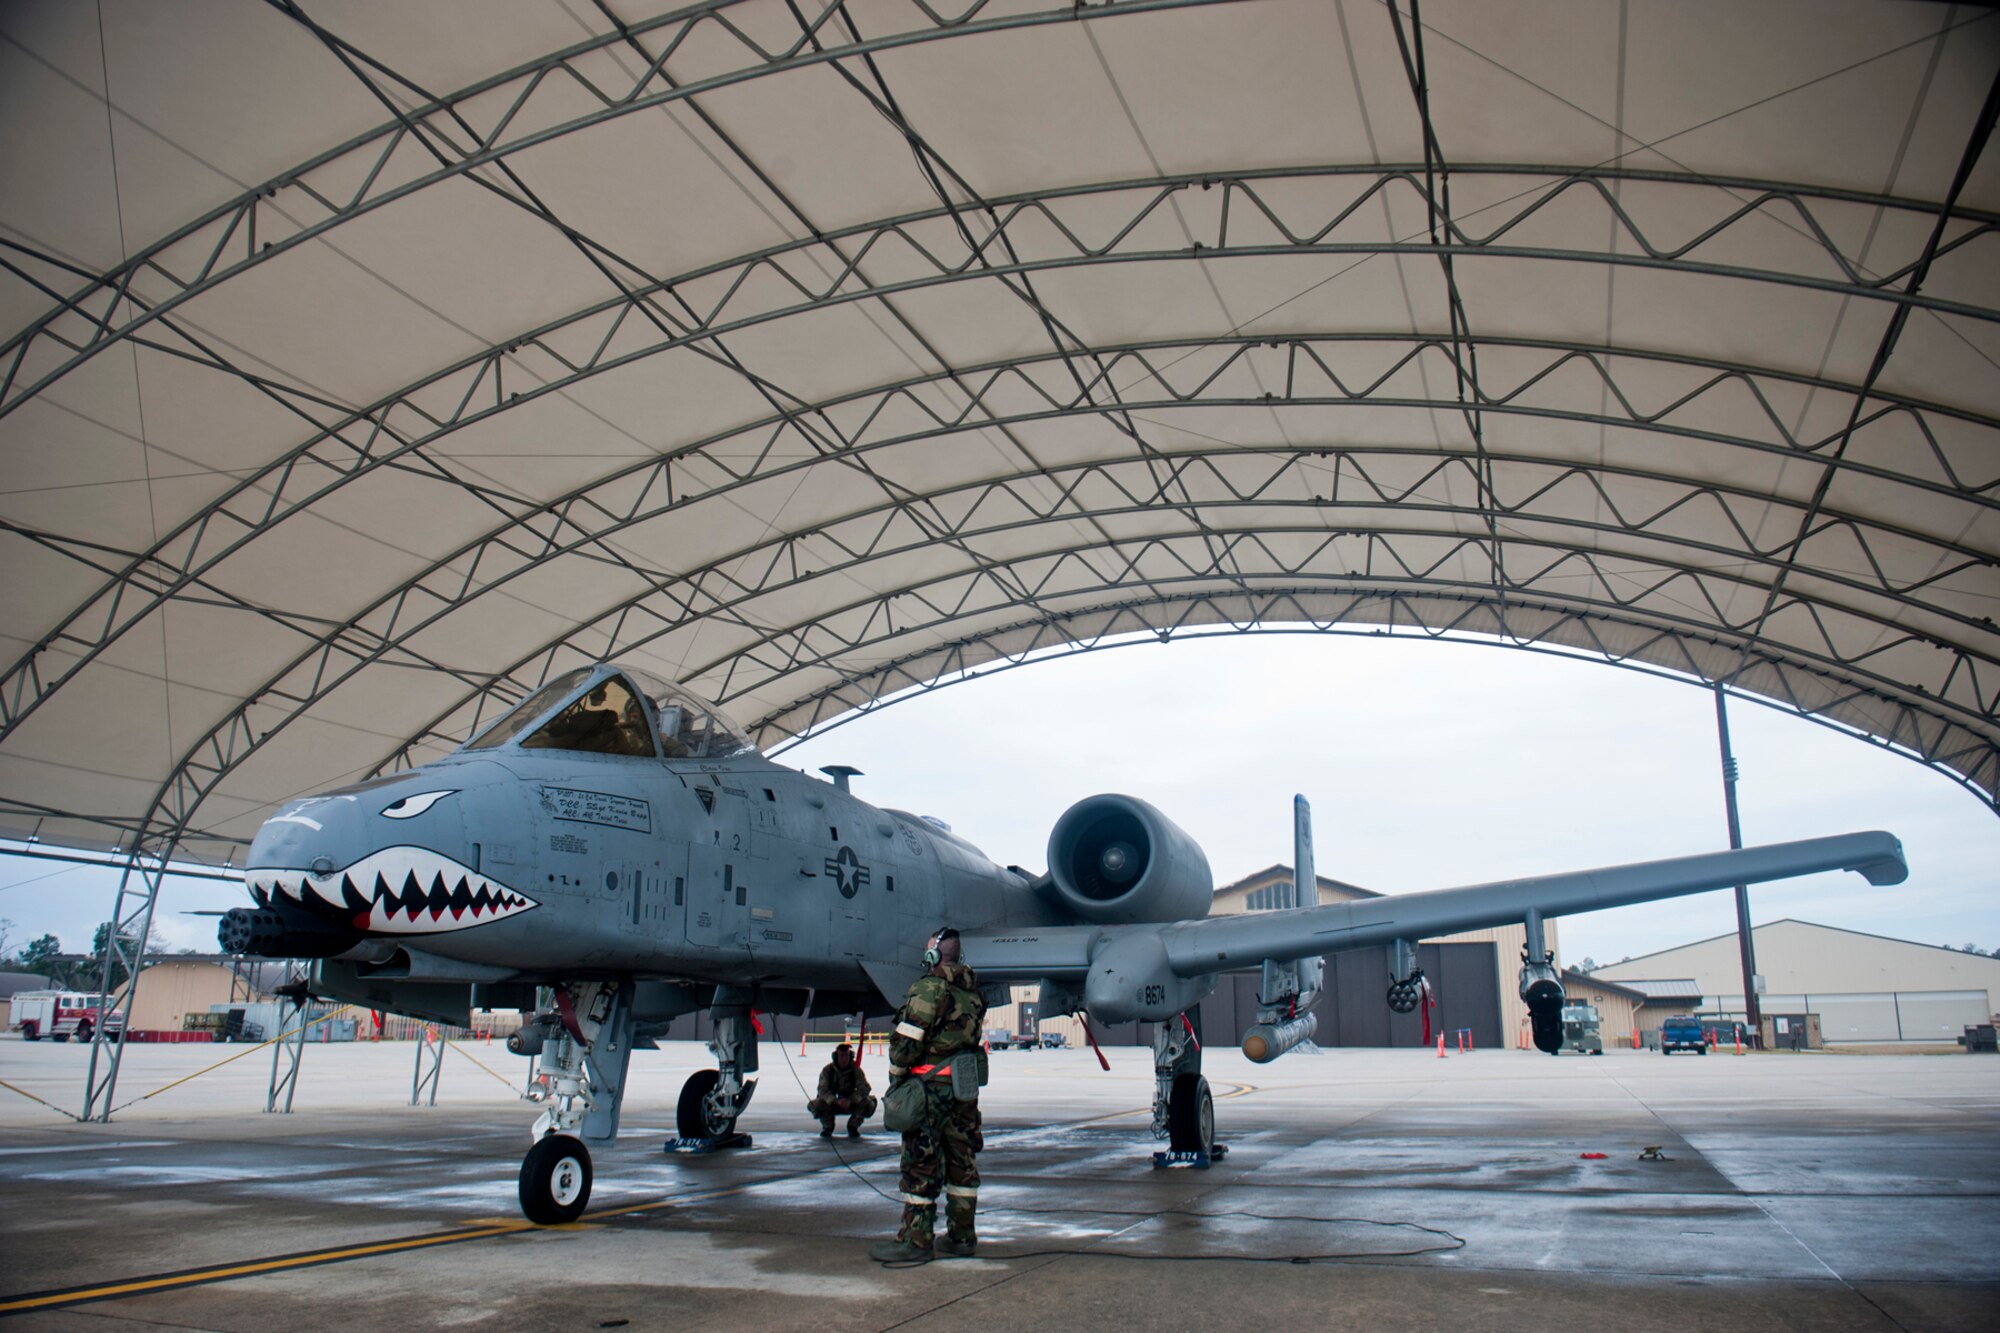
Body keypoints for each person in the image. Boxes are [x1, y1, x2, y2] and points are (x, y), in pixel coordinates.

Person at [869, 927, 986, 1263]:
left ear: (934, 954)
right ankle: (962, 1236)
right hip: (963, 1090)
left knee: (921, 1163)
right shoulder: (973, 993)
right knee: (962, 1163)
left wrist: (896, 1080)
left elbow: (905, 1046)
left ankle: (916, 1242)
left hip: (928, 1090)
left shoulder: (927, 989)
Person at [807, 1043, 876, 1137]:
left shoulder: (856, 1070)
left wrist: (851, 1100)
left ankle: (853, 1126)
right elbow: (822, 1090)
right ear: (836, 1056)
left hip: (851, 1103)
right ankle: (828, 1127)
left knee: (869, 1102)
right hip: (833, 1103)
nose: (844, 1058)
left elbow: (864, 1088)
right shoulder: (828, 1070)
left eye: (847, 1055)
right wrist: (835, 1101)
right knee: (816, 1104)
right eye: (841, 1055)